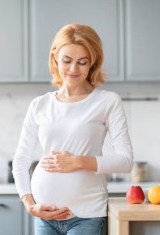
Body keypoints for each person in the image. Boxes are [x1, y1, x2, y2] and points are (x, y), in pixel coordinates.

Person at [12, 24, 133, 235]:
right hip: (44, 214)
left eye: (82, 62)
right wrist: (30, 204)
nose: (73, 69)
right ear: (55, 57)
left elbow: (125, 161)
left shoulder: (107, 102)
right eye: (67, 61)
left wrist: (77, 161)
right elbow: (21, 159)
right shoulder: (39, 104)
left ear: (92, 63)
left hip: (86, 215)